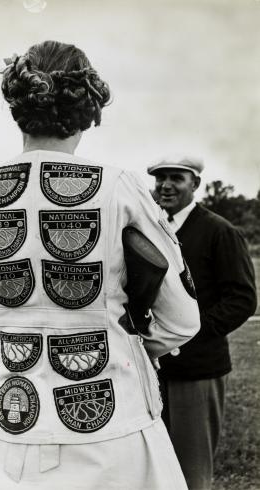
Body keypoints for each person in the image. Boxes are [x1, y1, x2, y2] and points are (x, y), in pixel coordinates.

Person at [0, 41, 200, 490]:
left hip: (9, 421)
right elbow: (181, 321)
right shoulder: (120, 187)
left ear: (17, 106)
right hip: (113, 427)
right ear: (88, 107)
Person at [147, 156, 257, 490]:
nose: (165, 185)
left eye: (176, 178)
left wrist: (191, 331)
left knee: (192, 473)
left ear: (195, 184)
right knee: (155, 466)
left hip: (197, 368)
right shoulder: (149, 226)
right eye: (160, 178)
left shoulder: (220, 231)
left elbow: (242, 299)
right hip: (151, 369)